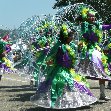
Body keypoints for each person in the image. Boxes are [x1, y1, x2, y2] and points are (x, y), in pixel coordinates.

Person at [30, 24, 97, 109]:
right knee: (58, 84)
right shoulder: (58, 45)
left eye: (73, 36)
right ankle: (57, 103)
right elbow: (49, 56)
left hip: (69, 69)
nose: (72, 38)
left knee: (76, 83)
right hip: (59, 70)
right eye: (71, 36)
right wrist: (50, 61)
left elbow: (75, 55)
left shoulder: (71, 45)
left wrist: (79, 49)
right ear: (65, 37)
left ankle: (77, 100)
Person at [76, 7, 111, 100]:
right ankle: (82, 94)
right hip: (87, 50)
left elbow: (105, 27)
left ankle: (102, 94)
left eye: (94, 17)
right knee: (82, 73)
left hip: (96, 49)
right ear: (86, 17)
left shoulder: (96, 25)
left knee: (102, 70)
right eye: (90, 16)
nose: (93, 18)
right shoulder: (84, 25)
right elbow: (86, 34)